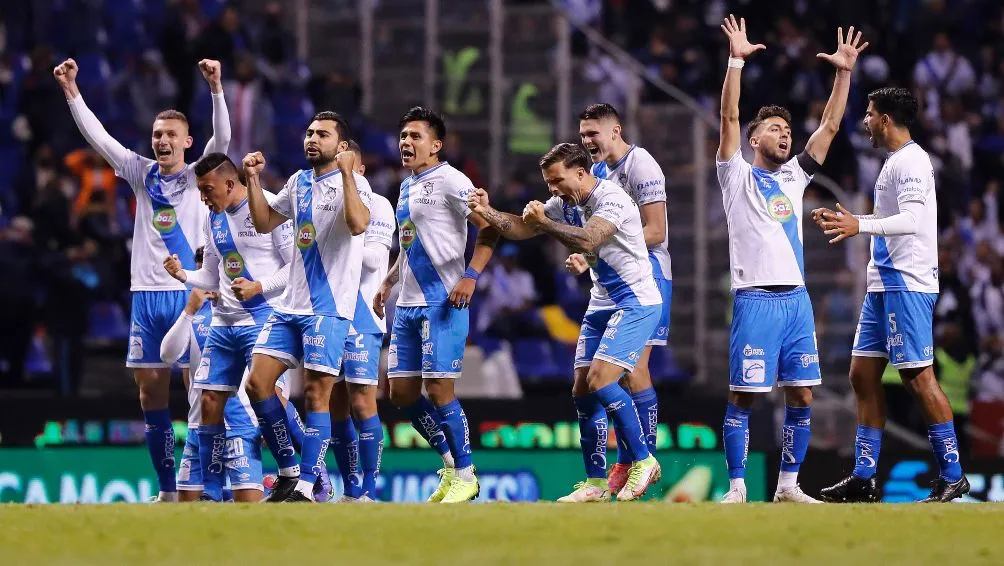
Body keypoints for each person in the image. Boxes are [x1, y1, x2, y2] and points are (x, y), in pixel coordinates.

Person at [54, 57, 231, 502]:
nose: (162, 140)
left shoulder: (196, 178)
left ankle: (207, 487)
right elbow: (98, 137)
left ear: (188, 142)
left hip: (190, 294)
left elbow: (223, 139)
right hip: (146, 298)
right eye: (157, 135)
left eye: (171, 134)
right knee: (150, 395)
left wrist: (215, 89)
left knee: (201, 395)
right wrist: (72, 91)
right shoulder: (140, 173)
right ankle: (169, 490)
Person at [715, 16, 866, 503]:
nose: (785, 134)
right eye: (775, 129)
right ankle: (737, 487)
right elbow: (729, 118)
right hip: (755, 298)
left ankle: (786, 487)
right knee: (745, 397)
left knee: (802, 395)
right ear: (755, 139)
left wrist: (843, 74)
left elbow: (830, 125)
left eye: (786, 129)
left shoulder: (794, 178)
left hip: (796, 302)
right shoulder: (734, 175)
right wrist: (736, 60)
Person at [468, 142, 662, 502]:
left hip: (635, 301)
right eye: (547, 183)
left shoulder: (612, 199)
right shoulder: (565, 204)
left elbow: (589, 237)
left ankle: (644, 460)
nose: (552, 190)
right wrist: (488, 210)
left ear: (581, 172)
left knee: (601, 380)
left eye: (556, 180)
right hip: (601, 301)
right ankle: (595, 482)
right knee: (582, 391)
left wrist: (544, 221)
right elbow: (520, 229)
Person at [814, 87, 970, 503]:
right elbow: (889, 219)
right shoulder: (893, 163)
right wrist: (851, 220)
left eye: (868, 114)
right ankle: (864, 477)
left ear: (885, 118)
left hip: (907, 282)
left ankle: (954, 475)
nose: (864, 120)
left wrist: (860, 227)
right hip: (882, 282)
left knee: (918, 377)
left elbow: (912, 221)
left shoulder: (914, 162)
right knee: (861, 375)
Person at [162, 153, 324, 501]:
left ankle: (308, 474)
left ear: (230, 184)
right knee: (208, 400)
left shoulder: (267, 208)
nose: (204, 198)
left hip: (264, 317)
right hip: (225, 322)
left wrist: (259, 287)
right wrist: (183, 275)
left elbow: (295, 268)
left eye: (208, 190)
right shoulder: (213, 218)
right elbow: (211, 274)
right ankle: (209, 490)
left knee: (271, 396)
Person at [243, 111, 372, 503]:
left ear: (342, 146)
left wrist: (349, 175)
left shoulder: (357, 184)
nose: (312, 139)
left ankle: (307, 485)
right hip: (290, 305)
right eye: (310, 132)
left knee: (317, 394)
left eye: (323, 134)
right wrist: (253, 181)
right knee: (256, 384)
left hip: (328, 308)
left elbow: (358, 224)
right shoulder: (298, 182)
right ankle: (288, 471)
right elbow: (264, 222)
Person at [372, 107, 500, 503]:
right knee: (401, 395)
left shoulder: (452, 181)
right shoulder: (406, 185)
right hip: (407, 305)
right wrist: (390, 281)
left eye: (415, 136)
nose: (406, 142)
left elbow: (491, 227)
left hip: (443, 302)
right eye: (403, 136)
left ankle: (466, 474)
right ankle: (450, 462)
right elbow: (411, 242)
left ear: (436, 145)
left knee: (440, 389)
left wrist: (471, 276)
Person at [577, 102, 669, 493]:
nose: (586, 141)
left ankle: (638, 461)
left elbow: (657, 230)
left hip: (649, 274)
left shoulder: (640, 164)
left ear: (615, 131)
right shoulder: (597, 173)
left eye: (592, 133)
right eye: (582, 135)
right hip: (611, 282)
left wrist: (594, 246)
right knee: (595, 379)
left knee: (633, 372)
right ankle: (624, 465)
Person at [161, 247, 299, 502]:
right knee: (191, 514)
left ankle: (309, 471)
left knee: (247, 509)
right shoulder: (194, 316)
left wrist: (268, 421)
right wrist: (189, 311)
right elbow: (168, 355)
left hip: (241, 425)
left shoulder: (250, 317)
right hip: (199, 428)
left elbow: (275, 384)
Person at [329, 140, 395, 502]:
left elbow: (374, 262)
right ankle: (351, 488)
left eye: (348, 165)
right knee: (334, 404)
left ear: (361, 170)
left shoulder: (379, 205)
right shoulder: (325, 205)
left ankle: (370, 489)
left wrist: (336, 245)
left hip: (361, 317)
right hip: (328, 315)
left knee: (362, 403)